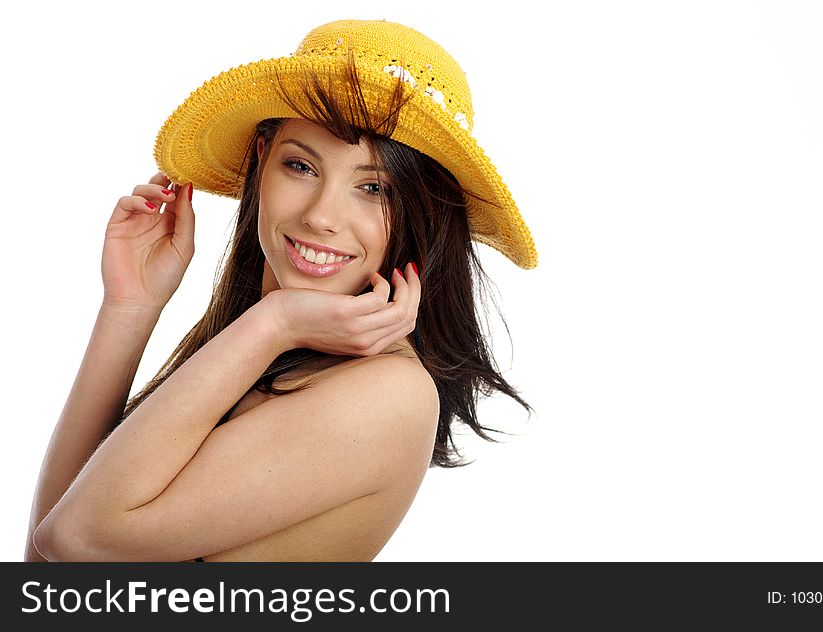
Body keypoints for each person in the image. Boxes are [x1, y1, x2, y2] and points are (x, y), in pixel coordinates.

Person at [25, 18, 537, 562]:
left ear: (425, 213)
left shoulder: (388, 393)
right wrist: (129, 307)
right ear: (261, 161)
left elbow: (74, 541)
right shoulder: (254, 350)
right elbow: (43, 574)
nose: (321, 216)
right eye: (300, 165)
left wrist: (278, 321)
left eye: (372, 188)